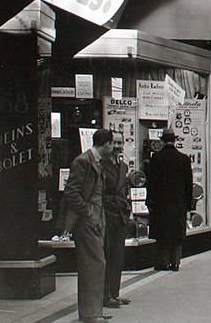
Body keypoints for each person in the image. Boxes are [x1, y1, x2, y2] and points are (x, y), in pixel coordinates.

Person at [62, 128, 114, 323]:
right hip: (87, 222)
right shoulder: (83, 161)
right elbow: (71, 193)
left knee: (95, 265)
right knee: (94, 264)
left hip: (96, 220)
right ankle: (91, 313)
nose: (115, 147)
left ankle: (94, 310)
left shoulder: (95, 161)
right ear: (107, 144)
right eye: (113, 143)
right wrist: (88, 211)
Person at [146, 128, 193, 271]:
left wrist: (150, 201)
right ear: (175, 140)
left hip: (161, 203)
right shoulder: (184, 158)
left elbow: (152, 182)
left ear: (162, 140)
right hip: (179, 203)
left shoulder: (157, 157)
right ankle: (176, 262)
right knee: (177, 233)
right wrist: (188, 203)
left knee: (163, 233)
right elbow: (188, 183)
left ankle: (164, 261)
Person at [102, 131, 132, 309]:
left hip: (121, 215)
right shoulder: (101, 165)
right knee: (106, 255)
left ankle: (115, 293)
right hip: (107, 213)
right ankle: (105, 296)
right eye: (114, 143)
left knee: (118, 256)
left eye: (120, 143)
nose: (118, 147)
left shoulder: (124, 167)